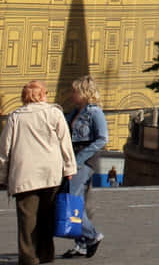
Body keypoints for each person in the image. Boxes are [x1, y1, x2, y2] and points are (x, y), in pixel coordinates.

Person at [2, 81, 78, 265]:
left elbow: (4, 150)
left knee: (27, 220)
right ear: (42, 94)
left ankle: (29, 258)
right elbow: (65, 142)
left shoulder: (15, 117)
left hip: (24, 175)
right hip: (50, 174)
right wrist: (69, 168)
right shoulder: (54, 113)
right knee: (47, 216)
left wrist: (2, 175)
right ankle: (45, 255)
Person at [62, 76, 109, 258]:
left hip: (84, 160)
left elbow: (102, 138)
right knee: (76, 202)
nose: (71, 94)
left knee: (70, 200)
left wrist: (80, 159)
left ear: (84, 92)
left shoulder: (94, 112)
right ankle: (81, 243)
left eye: (74, 91)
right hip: (71, 158)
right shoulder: (74, 112)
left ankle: (92, 235)